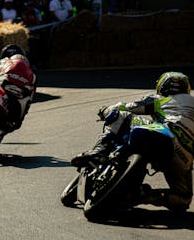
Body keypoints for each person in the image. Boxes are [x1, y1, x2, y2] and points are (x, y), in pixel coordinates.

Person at [71, 72, 194, 212]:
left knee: (121, 115)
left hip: (165, 132)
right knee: (184, 198)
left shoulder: (160, 99)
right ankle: (145, 195)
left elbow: (125, 107)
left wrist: (106, 110)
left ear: (162, 86)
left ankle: (99, 151)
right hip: (184, 155)